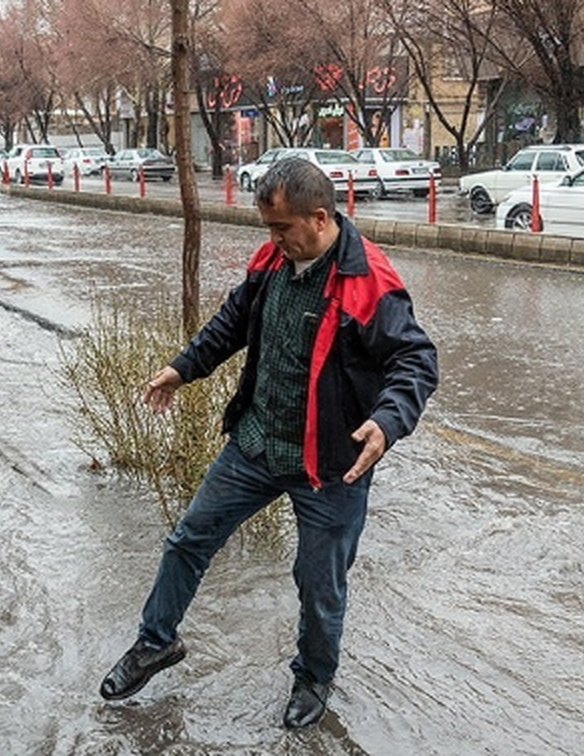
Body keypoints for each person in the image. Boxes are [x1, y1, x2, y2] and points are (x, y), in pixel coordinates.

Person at [99, 158, 438, 728]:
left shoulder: (368, 282)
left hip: (330, 466)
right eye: (268, 228)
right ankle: (156, 642)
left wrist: (388, 420)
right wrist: (184, 368)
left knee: (318, 582)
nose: (273, 239)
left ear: (319, 218)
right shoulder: (273, 258)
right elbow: (232, 321)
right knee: (188, 540)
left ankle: (313, 678)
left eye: (282, 228)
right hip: (255, 443)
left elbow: (415, 361)